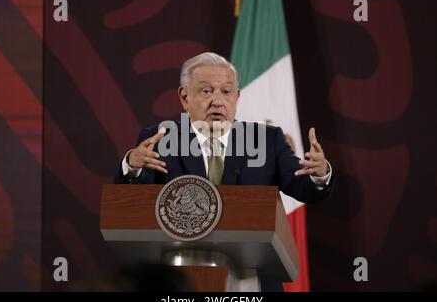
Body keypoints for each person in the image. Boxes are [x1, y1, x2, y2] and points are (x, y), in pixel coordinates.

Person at [115, 52, 334, 206]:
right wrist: (133, 167)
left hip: (245, 265)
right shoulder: (159, 140)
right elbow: (131, 200)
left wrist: (319, 174)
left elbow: (303, 187)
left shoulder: (267, 140)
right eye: (206, 91)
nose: (218, 102)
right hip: (177, 262)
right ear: (184, 97)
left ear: (237, 97)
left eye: (226, 92)